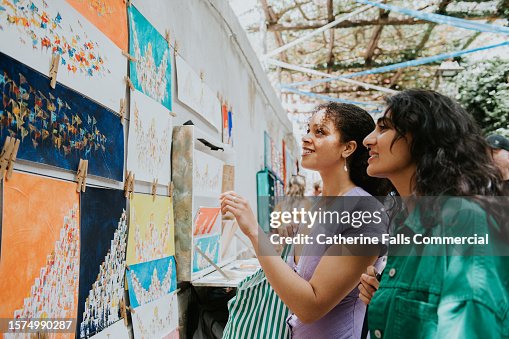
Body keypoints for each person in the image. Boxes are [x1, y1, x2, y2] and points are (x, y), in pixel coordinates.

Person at [221, 102, 392, 338]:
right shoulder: (316, 206)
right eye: (308, 130)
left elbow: (311, 305)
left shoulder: (365, 213)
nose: (306, 138)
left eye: (319, 132)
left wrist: (254, 232)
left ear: (348, 148)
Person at [357, 89, 508, 338]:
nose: (368, 140)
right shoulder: (409, 223)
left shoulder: (463, 223)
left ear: (422, 137)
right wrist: (389, 297)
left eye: (384, 128)